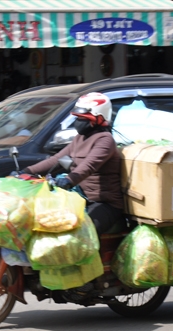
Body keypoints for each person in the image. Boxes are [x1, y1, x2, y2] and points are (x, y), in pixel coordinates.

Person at [21, 92, 124, 235]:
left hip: (104, 203)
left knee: (83, 234)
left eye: (83, 119)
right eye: (77, 118)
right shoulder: (79, 138)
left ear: (98, 118)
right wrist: (27, 171)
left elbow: (89, 165)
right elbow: (56, 159)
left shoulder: (105, 140)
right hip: (80, 197)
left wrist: (70, 180)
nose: (78, 122)